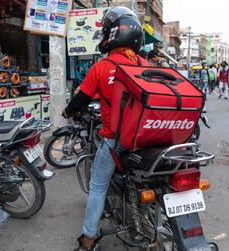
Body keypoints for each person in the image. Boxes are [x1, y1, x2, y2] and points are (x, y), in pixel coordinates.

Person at [62, 7, 150, 251]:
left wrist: (67, 112)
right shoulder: (146, 65)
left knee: (97, 187)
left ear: (112, 35)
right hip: (150, 138)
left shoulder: (103, 67)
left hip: (117, 139)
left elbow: (79, 101)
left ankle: (88, 239)